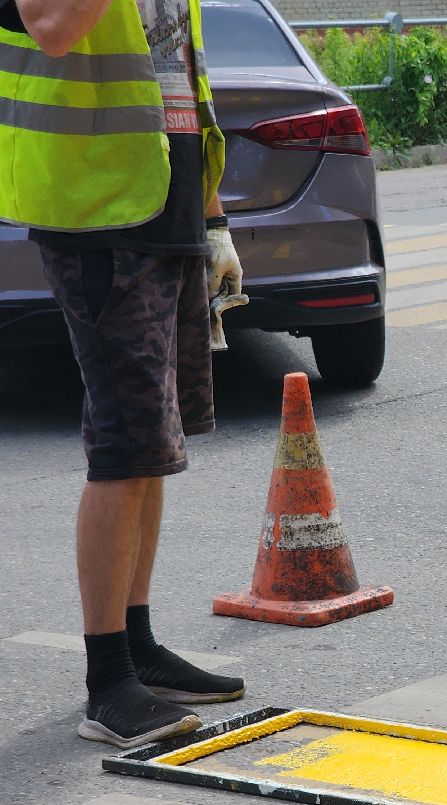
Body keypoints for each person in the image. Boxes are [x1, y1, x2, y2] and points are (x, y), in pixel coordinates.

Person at [1, 0, 246, 748]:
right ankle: (107, 681)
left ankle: (137, 645)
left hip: (166, 199)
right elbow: (53, 28)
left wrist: (212, 216)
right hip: (95, 207)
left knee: (154, 444)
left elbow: (178, 76)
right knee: (124, 442)